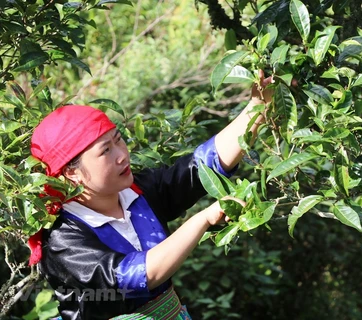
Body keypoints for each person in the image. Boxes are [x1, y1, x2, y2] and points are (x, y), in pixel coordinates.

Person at [28, 72, 273, 319]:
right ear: (72, 173)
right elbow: (132, 277)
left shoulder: (137, 192)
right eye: (106, 151)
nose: (122, 155)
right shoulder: (63, 237)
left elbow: (202, 167)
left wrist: (259, 105)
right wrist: (203, 219)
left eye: (118, 140)